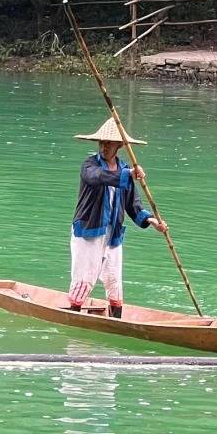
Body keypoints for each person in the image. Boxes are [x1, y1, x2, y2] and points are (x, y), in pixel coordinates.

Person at [68, 117, 167, 318]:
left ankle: (116, 320)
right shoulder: (89, 166)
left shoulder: (124, 171)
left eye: (109, 144)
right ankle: (73, 314)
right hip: (89, 232)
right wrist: (129, 174)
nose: (104, 147)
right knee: (84, 278)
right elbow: (97, 178)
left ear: (119, 146)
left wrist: (151, 221)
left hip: (113, 234)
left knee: (114, 279)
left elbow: (133, 205)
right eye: (102, 143)